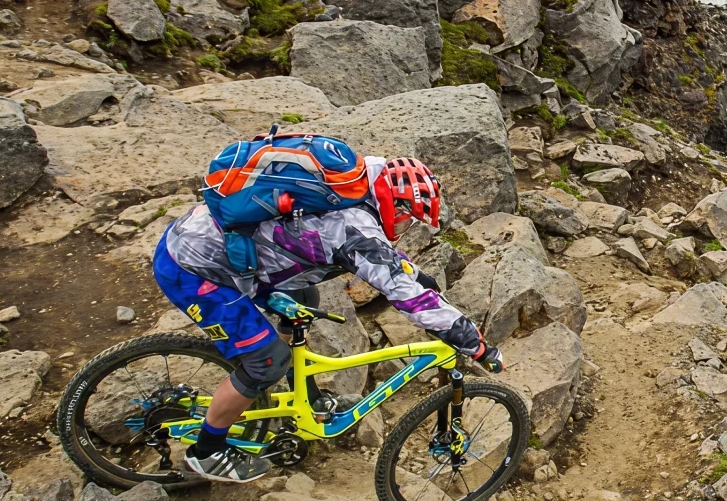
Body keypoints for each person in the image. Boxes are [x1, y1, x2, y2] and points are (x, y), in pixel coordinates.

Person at [152, 154, 495, 483]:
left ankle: (307, 398)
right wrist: (469, 339)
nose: (406, 226)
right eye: (407, 216)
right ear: (394, 203)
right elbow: (393, 281)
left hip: (224, 249)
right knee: (266, 362)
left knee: (305, 299)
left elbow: (387, 260)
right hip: (193, 269)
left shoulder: (356, 183)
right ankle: (207, 451)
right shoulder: (350, 227)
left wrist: (422, 279)